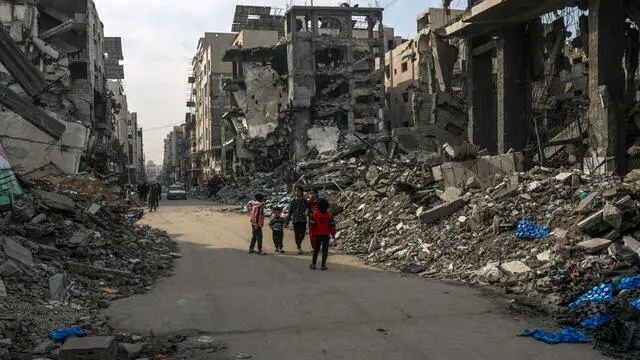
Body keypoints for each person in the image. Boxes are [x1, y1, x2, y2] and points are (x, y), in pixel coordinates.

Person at [309, 198, 336, 271]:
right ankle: (323, 266)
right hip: (326, 235)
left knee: (316, 250)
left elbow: (312, 225)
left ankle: (313, 264)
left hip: (317, 235)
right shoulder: (329, 215)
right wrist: (333, 234)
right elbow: (332, 225)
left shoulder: (315, 214)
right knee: (325, 251)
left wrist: (312, 233)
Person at [286, 186, 309, 255]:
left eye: (298, 191)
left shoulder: (305, 201)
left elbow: (308, 209)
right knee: (296, 234)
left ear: (302, 192)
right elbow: (290, 211)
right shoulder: (293, 201)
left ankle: (298, 244)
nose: (297, 192)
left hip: (303, 220)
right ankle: (299, 248)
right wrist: (287, 222)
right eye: (296, 191)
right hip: (295, 220)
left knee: (302, 234)